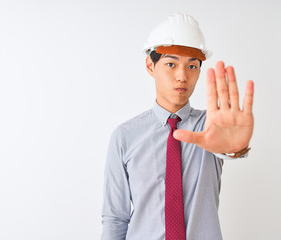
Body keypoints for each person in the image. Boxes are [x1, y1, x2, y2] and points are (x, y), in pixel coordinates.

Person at [101, 13, 254, 240]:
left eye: (192, 66)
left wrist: (235, 149)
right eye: (171, 64)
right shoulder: (125, 136)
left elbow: (227, 148)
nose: (182, 76)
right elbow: (115, 218)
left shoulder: (211, 126)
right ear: (150, 66)